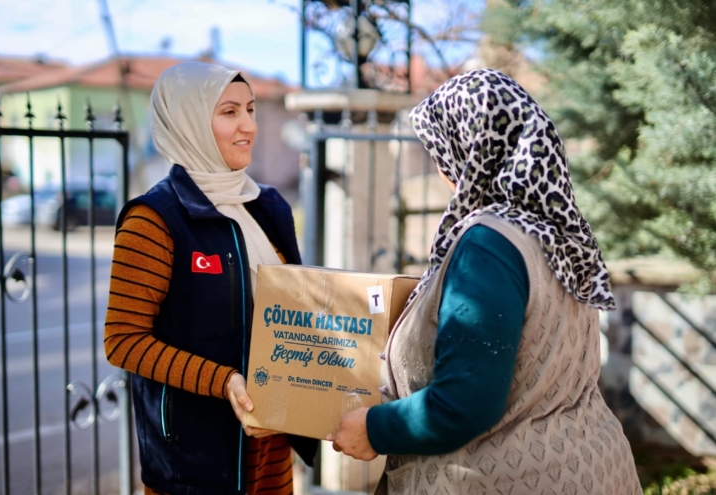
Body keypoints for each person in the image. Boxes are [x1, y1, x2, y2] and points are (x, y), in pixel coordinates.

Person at [326, 69, 642, 495]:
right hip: (591, 466)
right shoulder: (557, 233)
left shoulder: (489, 245)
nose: (439, 166)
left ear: (469, 150)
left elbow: (464, 404)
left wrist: (373, 428)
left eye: (440, 149)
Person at [103, 62, 317, 495]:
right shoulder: (154, 220)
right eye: (230, 112)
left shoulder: (268, 208)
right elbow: (123, 341)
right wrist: (224, 382)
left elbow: (293, 312)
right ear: (189, 124)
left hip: (269, 445)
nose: (250, 126)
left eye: (252, 110)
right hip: (192, 459)